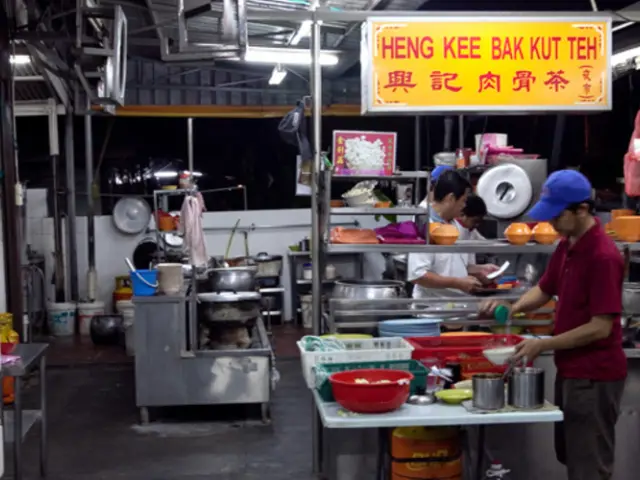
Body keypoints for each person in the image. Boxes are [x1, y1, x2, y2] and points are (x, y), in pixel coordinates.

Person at [479, 170, 626, 480]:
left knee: (589, 466)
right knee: (571, 456)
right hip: (572, 371)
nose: (552, 224)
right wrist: (513, 308)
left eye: (557, 216)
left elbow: (601, 327)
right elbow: (545, 288)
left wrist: (543, 344)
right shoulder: (568, 243)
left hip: (595, 376)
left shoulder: (602, 256)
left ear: (582, 210)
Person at [408, 170, 497, 298]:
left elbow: (453, 265)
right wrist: (458, 283)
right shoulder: (424, 225)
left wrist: (480, 270)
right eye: (463, 200)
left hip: (457, 306)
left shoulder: (454, 224)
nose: (464, 205)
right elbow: (418, 275)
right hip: (433, 309)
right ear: (450, 198)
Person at [455, 194, 488, 267]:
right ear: (462, 215)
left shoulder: (472, 230)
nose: (477, 225)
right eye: (475, 221)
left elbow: (485, 243)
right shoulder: (455, 231)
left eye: (479, 221)